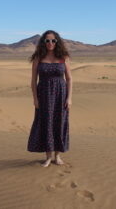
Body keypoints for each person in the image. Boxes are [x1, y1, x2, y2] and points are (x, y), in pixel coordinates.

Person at [27, 30, 72, 167]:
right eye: (47, 41)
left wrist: (69, 98)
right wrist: (35, 99)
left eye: (53, 40)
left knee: (59, 123)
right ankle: (48, 157)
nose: (50, 43)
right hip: (44, 95)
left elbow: (69, 79)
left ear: (57, 42)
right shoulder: (38, 57)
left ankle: (57, 156)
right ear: (43, 42)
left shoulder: (63, 57)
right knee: (46, 124)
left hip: (60, 94)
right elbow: (33, 80)